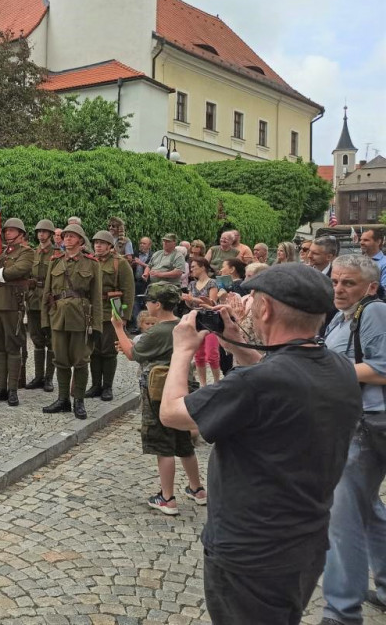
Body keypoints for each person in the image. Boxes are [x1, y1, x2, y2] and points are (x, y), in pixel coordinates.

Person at [159, 264, 362, 625]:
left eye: (252, 300)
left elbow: (172, 413)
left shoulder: (258, 383)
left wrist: (182, 350)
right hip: (304, 541)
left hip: (249, 552)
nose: (249, 307)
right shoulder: (339, 367)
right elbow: (278, 377)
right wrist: (236, 344)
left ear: (266, 309)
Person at [322, 254, 386, 625]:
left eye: (348, 283)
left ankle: (342, 612)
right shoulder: (341, 317)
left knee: (342, 517)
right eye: (335, 282)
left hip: (367, 426)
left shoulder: (374, 311)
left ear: (371, 287)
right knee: (370, 509)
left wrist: (327, 370)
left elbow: (382, 368)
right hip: (356, 422)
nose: (339, 289)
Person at [113, 283, 206, 515]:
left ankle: (167, 498)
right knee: (184, 441)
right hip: (185, 385)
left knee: (163, 443)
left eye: (149, 300)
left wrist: (118, 329)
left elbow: (132, 354)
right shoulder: (182, 325)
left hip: (159, 389)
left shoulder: (157, 331)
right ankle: (197, 489)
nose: (146, 304)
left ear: (157, 304)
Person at [41, 224, 102, 419]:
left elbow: (97, 297)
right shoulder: (55, 261)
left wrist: (97, 325)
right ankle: (63, 400)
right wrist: (45, 321)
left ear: (80, 240)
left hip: (80, 317)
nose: (67, 239)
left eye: (72, 236)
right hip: (58, 316)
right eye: (66, 235)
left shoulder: (91, 263)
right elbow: (47, 293)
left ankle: (79, 400)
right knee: (60, 359)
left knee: (80, 360)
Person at [0, 218, 35, 407]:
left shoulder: (27, 252)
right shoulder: (1, 252)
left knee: (13, 347)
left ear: (21, 234)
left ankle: (12, 390)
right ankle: (1, 388)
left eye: (12, 231)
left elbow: (18, 270)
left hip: (13, 304)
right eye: (6, 231)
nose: (8, 234)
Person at [87, 229, 134, 402]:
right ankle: (95, 385)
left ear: (109, 246)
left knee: (108, 351)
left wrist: (124, 316)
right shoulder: (90, 261)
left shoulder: (119, 263)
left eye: (102, 243)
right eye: (96, 243)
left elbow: (128, 291)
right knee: (93, 350)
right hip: (92, 311)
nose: (98, 246)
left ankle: (107, 387)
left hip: (111, 310)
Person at [24, 219, 58, 392]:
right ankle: (38, 376)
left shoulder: (57, 253)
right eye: (39, 232)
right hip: (33, 299)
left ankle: (49, 378)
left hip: (50, 301)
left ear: (50, 234)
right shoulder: (32, 253)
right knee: (36, 339)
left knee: (51, 340)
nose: (41, 234)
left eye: (44, 232)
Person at [183, 257, 221, 387]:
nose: (191, 269)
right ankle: (203, 385)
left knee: (212, 354)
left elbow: (212, 303)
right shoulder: (192, 284)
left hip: (210, 320)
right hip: (196, 318)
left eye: (194, 267)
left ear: (203, 267)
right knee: (199, 355)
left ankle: (217, 382)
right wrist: (188, 300)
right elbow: (190, 305)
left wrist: (194, 299)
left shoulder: (212, 283)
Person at [130, 236, 153, 332]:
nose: (141, 245)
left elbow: (153, 267)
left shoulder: (153, 256)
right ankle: (137, 326)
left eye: (144, 243)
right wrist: (132, 264)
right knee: (135, 303)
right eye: (141, 243)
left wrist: (140, 263)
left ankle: (147, 326)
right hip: (135, 282)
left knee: (146, 304)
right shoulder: (135, 253)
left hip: (147, 283)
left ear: (149, 245)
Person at [359, 228, 386, 298]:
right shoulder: (357, 261)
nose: (361, 242)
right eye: (361, 239)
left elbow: (384, 292)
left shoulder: (384, 263)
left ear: (378, 242)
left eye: (366, 240)